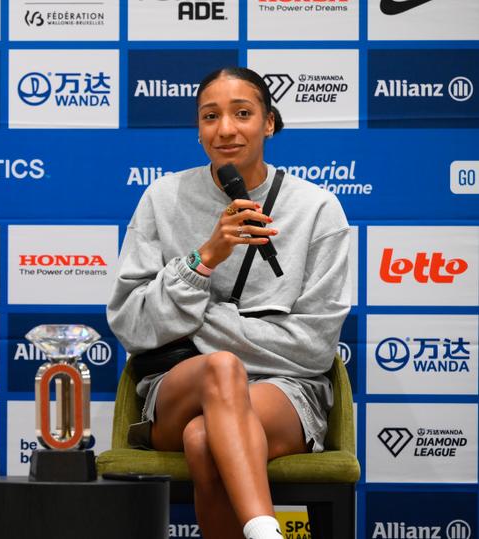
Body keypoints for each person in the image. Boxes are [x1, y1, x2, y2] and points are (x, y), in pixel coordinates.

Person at [107, 67, 350, 539]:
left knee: (204, 440)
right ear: (198, 130)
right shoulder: (162, 198)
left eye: (242, 113)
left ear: (269, 123)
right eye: (210, 116)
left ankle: (261, 531)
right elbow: (131, 324)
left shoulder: (318, 209)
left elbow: (314, 347)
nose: (225, 129)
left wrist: (197, 320)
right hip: (179, 388)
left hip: (284, 390)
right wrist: (206, 258)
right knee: (219, 369)